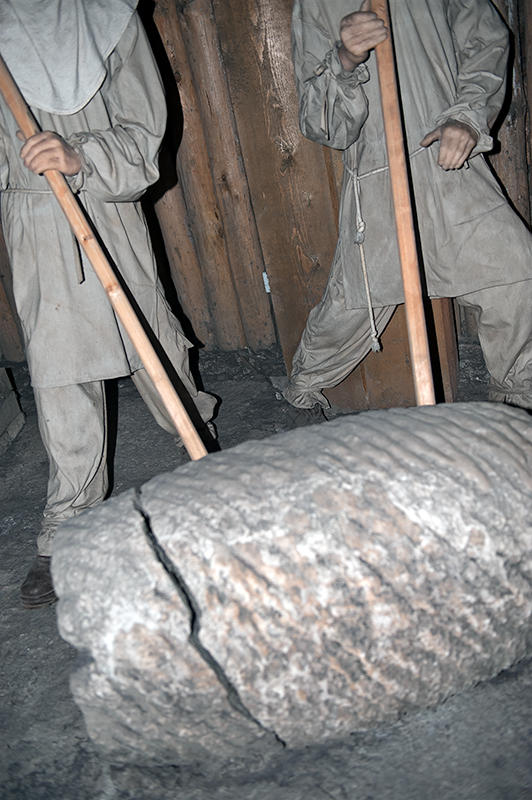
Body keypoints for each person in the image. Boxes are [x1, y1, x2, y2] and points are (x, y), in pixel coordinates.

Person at [0, 0, 216, 608]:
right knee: (59, 367)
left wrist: (80, 157)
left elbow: (145, 135)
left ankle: (198, 447)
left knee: (152, 341)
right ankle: (66, 521)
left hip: (105, 201)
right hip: (34, 214)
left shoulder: (105, 17)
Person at [283, 0, 532, 413]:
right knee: (354, 302)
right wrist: (345, 59)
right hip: (379, 173)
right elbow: (324, 125)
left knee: (516, 270)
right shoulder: (316, 5)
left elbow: (486, 40)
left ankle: (517, 400)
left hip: (451, 159)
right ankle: (302, 390)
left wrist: (468, 116)